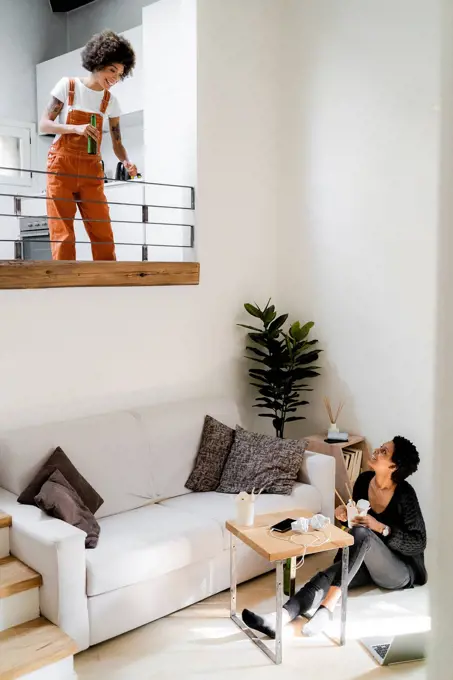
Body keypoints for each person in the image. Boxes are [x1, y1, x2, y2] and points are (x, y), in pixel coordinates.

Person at [242, 436, 427, 638]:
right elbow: (354, 523)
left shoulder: (405, 495)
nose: (376, 451)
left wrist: (382, 528)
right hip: (366, 560)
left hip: (398, 571)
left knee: (363, 533)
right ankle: (278, 618)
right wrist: (344, 515)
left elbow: (418, 542)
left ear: (394, 466)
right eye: (380, 447)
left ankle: (327, 608)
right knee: (325, 576)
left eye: (384, 452)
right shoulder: (364, 480)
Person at [40, 30, 138, 261]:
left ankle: (107, 290)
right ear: (98, 62)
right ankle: (65, 290)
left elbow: (117, 142)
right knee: (62, 234)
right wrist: (75, 128)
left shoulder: (110, 102)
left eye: (119, 74)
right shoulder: (69, 86)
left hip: (92, 170)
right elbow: (44, 124)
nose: (114, 78)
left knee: (102, 231)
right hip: (60, 166)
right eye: (111, 70)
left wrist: (126, 161)